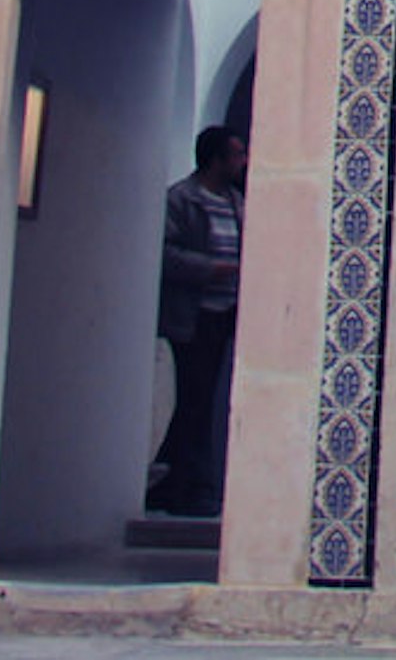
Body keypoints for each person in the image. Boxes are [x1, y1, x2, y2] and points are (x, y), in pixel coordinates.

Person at [150, 126, 245, 518]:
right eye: (236, 154)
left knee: (202, 398)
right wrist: (212, 269)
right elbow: (166, 253)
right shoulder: (182, 200)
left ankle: (172, 480)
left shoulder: (236, 202)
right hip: (195, 316)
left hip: (226, 313)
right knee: (196, 398)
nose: (243, 162)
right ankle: (193, 486)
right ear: (215, 159)